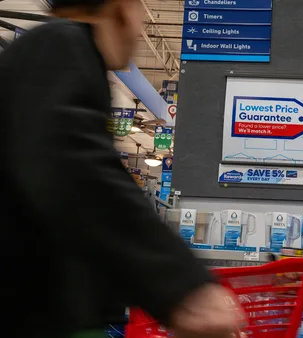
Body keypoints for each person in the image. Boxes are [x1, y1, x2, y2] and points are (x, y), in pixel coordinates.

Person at [0, 1, 241, 337]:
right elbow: (82, 178)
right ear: (121, 8)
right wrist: (183, 287)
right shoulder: (60, 45)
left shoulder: (58, 53)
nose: (141, 30)